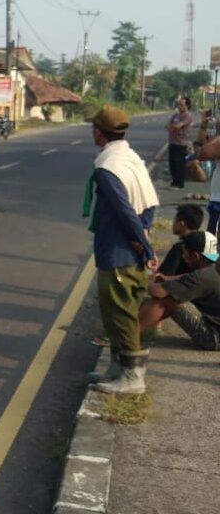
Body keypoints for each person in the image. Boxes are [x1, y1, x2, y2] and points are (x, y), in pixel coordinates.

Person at [83, 106, 160, 394]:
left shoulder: (107, 167)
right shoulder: (129, 157)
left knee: (120, 314)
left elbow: (123, 210)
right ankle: (117, 370)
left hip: (119, 251)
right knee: (116, 312)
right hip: (128, 247)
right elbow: (149, 201)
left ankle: (131, 377)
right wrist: (145, 232)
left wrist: (144, 245)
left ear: (99, 132)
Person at [139, 231, 220, 351]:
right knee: (161, 297)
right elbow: (187, 277)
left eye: (186, 252)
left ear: (196, 256)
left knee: (167, 300)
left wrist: (142, 283)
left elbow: (158, 292)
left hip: (213, 338)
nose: (183, 256)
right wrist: (167, 279)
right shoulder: (213, 269)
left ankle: (126, 335)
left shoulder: (200, 277)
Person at [158, 204, 205, 276]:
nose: (173, 223)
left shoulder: (180, 247)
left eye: (175, 220)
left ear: (181, 223)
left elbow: (163, 275)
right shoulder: (204, 243)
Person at [166, 96, 193, 189]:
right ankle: (174, 181)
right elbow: (167, 125)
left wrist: (173, 127)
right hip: (172, 142)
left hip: (181, 143)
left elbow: (178, 126)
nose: (179, 106)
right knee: (172, 163)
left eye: (181, 105)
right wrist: (174, 126)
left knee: (179, 163)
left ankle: (179, 183)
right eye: (179, 104)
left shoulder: (187, 116)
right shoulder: (175, 115)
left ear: (187, 106)